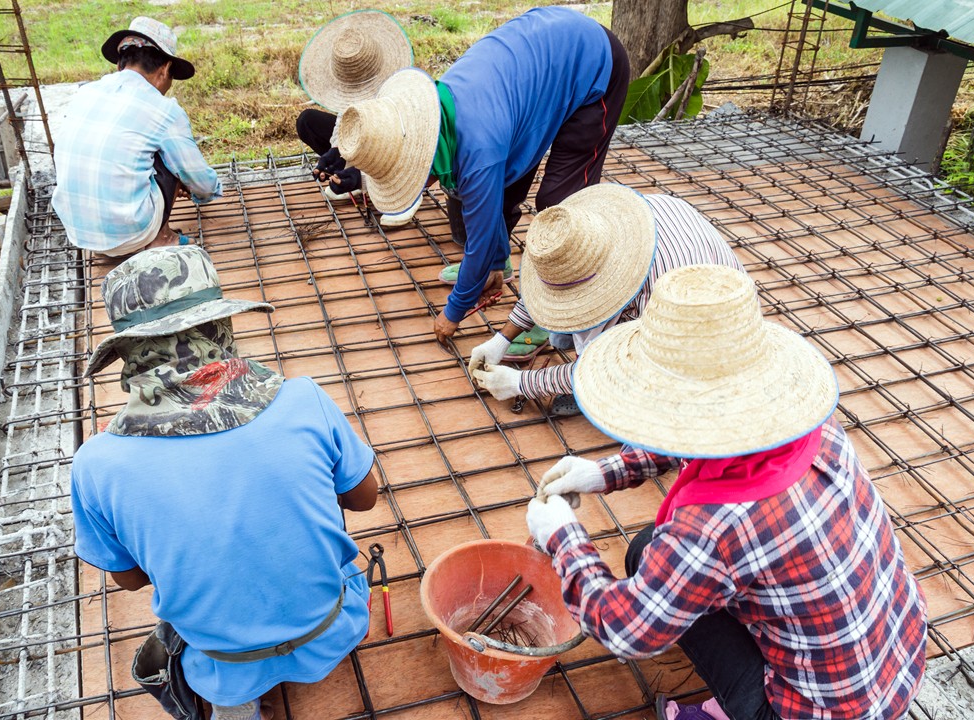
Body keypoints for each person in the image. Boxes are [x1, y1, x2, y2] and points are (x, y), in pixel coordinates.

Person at [525, 264, 928, 720]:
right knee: (651, 552)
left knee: (653, 565)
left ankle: (747, 708)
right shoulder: (807, 422)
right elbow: (705, 438)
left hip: (822, 713)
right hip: (899, 655)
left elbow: (625, 630)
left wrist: (561, 535)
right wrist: (604, 473)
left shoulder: (714, 528)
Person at [70, 246, 379, 720]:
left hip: (227, 665)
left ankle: (239, 709)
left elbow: (129, 579)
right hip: (334, 630)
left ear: (130, 355)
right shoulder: (303, 400)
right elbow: (365, 498)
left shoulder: (96, 465)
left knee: (194, 644)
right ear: (222, 326)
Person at [335, 7, 630, 342]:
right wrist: (494, 262)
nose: (422, 186)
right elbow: (490, 214)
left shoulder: (479, 151)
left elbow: (479, 241)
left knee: (561, 207)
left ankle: (552, 314)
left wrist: (452, 313)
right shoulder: (436, 108)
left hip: (595, 64)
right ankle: (498, 268)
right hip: (543, 62)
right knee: (504, 191)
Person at [466, 183, 742, 414]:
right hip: (680, 272)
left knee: (640, 390)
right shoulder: (607, 229)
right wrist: (501, 339)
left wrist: (522, 383)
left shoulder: (659, 300)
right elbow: (553, 284)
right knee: (566, 331)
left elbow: (610, 367)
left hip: (713, 332)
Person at [52, 17, 221, 257]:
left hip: (79, 234)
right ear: (165, 70)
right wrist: (203, 189)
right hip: (130, 235)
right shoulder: (163, 110)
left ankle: (111, 241)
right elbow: (200, 180)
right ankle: (162, 238)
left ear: (121, 65)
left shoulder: (85, 93)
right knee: (171, 157)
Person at [294, 10, 418, 226]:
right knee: (307, 121)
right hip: (365, 138)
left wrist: (363, 176)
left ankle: (379, 184)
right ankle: (348, 172)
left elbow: (407, 150)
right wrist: (337, 150)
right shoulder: (349, 87)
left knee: (380, 163)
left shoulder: (402, 92)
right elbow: (346, 118)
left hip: (393, 148)